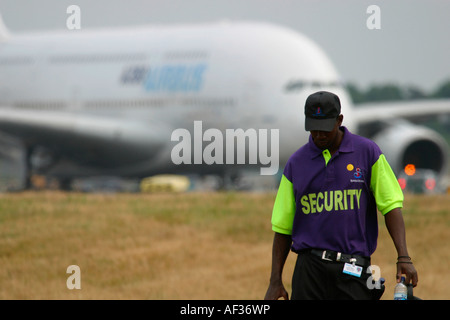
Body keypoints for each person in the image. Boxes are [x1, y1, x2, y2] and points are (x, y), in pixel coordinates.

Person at [264, 91, 418, 300]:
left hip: (353, 269)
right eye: (313, 129)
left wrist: (403, 256)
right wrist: (275, 281)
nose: (319, 135)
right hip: (309, 271)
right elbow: (283, 227)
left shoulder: (368, 153)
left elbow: (391, 205)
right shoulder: (296, 163)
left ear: (339, 120)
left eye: (325, 129)